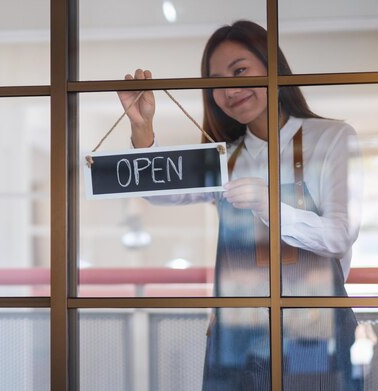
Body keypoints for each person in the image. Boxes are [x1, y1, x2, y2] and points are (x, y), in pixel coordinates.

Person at [118, 20, 363, 390]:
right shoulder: (225, 156)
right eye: (217, 81)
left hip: (315, 330)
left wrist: (271, 205)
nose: (230, 89)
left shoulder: (331, 138)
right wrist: (142, 129)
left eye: (240, 70)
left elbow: (340, 236)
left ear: (272, 67)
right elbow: (159, 192)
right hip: (237, 335)